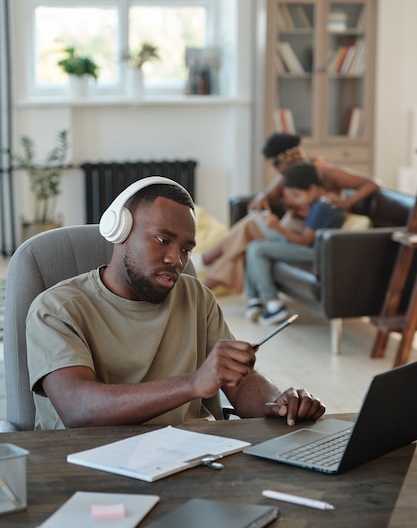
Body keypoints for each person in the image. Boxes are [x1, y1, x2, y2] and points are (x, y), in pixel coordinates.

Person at [26, 176, 325, 430]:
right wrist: (193, 383)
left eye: (186, 248)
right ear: (121, 231)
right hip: (89, 469)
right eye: (162, 240)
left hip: (193, 459)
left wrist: (279, 404)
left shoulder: (196, 297)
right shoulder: (56, 308)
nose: (176, 259)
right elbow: (78, 409)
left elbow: (240, 382)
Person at [197, 132, 380, 293]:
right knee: (247, 235)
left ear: (284, 161)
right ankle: (204, 286)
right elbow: (268, 195)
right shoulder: (287, 176)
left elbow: (372, 183)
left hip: (306, 231)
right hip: (292, 227)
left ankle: (204, 270)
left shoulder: (325, 173)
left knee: (249, 231)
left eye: (277, 165)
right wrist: (262, 198)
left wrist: (347, 202)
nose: (278, 172)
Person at [245, 163, 345, 325]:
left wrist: (278, 227)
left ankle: (273, 304)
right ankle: (254, 298)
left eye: (298, 195)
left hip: (316, 252)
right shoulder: (319, 204)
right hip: (309, 247)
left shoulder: (322, 207)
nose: (297, 200)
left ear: (312, 188)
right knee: (254, 243)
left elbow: (306, 241)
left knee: (257, 249)